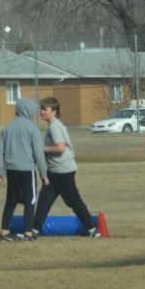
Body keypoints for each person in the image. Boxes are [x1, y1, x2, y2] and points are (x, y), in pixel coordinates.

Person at [33, 97, 100, 238]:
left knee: (73, 201)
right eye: (41, 109)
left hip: (63, 172)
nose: (42, 112)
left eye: (45, 109)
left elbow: (60, 148)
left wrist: (42, 149)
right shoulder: (54, 125)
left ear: (54, 111)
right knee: (44, 201)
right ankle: (34, 230)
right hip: (53, 172)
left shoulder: (54, 126)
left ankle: (92, 230)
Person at [0, 97, 49, 242]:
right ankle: (28, 233)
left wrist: (0, 172)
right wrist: (44, 174)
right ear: (29, 110)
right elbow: (38, 153)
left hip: (11, 170)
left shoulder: (8, 127)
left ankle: (4, 232)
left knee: (10, 200)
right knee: (30, 200)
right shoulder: (32, 128)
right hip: (27, 169)